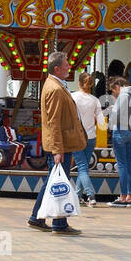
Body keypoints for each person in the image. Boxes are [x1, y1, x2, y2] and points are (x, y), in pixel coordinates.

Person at [28, 51, 85, 234]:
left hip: (61, 143)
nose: (69, 66)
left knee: (55, 180)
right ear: (58, 68)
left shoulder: (57, 85)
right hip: (61, 144)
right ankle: (58, 222)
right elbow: (54, 122)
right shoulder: (55, 89)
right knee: (59, 181)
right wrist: (57, 149)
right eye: (66, 64)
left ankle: (38, 217)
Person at [70, 71, 105, 207]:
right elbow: (101, 122)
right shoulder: (95, 100)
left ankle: (91, 196)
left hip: (77, 137)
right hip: (91, 137)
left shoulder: (72, 97)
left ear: (79, 83)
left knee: (82, 167)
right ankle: (78, 195)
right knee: (83, 168)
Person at [108, 76, 131, 207]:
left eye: (113, 91)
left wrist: (111, 119)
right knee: (129, 165)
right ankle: (129, 196)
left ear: (117, 87)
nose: (113, 93)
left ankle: (122, 197)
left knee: (121, 165)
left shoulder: (122, 95)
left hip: (120, 131)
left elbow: (115, 116)